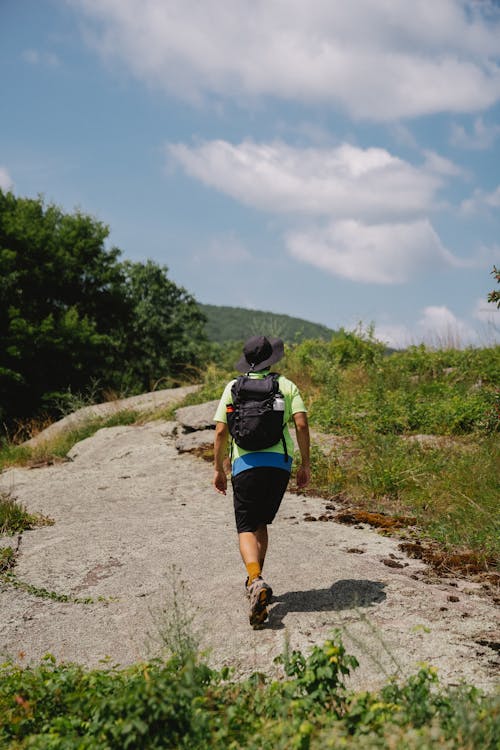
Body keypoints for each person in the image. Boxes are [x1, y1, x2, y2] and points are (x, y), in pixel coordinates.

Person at [213, 335, 311, 628]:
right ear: (272, 360)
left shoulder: (233, 387)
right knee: (260, 523)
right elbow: (302, 424)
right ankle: (257, 581)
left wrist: (218, 469)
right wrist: (305, 464)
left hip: (244, 464)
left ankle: (255, 579)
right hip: (279, 465)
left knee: (245, 526)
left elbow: (220, 432)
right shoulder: (286, 385)